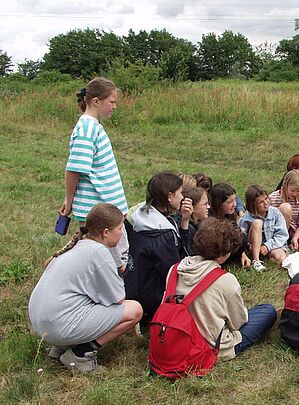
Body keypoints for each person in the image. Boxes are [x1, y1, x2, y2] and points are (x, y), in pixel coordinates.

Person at [29, 203, 143, 372]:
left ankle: (60, 348)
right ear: (106, 232)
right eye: (120, 229)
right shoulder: (99, 252)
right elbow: (118, 298)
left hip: (41, 324)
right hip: (58, 326)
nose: (121, 233)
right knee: (134, 310)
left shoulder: (78, 243)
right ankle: (81, 354)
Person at [173, 217, 277, 359]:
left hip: (178, 337)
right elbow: (238, 323)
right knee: (267, 311)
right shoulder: (225, 280)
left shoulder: (175, 270)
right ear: (223, 255)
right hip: (212, 346)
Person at [59, 77, 129, 271]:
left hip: (108, 206)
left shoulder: (93, 126)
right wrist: (69, 200)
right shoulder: (86, 128)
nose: (114, 106)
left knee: (118, 258)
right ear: (96, 101)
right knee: (112, 263)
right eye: (111, 102)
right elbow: (74, 169)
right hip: (99, 209)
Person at [125, 172, 191, 329]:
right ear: (169, 196)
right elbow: (174, 272)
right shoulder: (162, 234)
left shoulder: (139, 217)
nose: (183, 197)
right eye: (180, 193)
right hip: (153, 297)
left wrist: (185, 221)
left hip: (133, 287)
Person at [238, 185, 289, 272]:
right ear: (253, 205)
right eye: (261, 202)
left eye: (266, 198)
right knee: (257, 223)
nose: (266, 203)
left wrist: (267, 246)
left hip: (271, 245)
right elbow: (239, 236)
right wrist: (248, 244)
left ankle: (268, 257)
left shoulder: (275, 213)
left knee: (281, 259)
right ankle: (256, 261)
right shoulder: (246, 218)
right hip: (253, 247)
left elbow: (282, 234)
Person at [269, 170, 299, 253]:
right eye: (292, 190)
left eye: (297, 191)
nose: (295, 194)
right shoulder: (273, 197)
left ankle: (294, 245)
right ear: (285, 185)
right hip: (277, 231)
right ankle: (283, 243)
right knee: (286, 207)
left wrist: (295, 238)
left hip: (295, 230)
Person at [208, 183, 250, 267]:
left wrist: (242, 254)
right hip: (214, 252)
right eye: (229, 202)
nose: (234, 204)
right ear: (218, 203)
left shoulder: (229, 215)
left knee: (242, 237)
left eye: (235, 200)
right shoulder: (209, 218)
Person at [172, 187, 209, 256]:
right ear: (191, 207)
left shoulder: (195, 223)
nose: (208, 207)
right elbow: (190, 254)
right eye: (205, 204)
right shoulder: (187, 228)